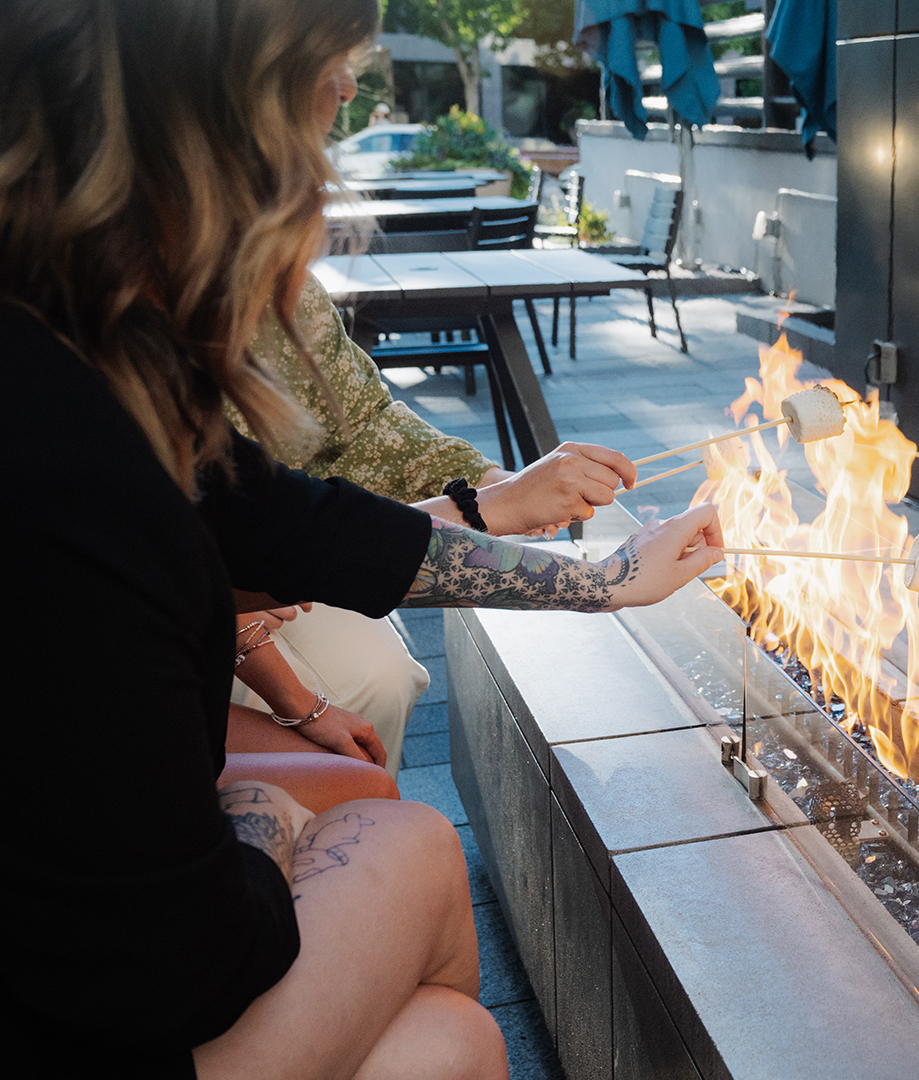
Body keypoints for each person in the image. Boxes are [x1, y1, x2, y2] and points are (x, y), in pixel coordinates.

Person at [0, 2, 725, 1077]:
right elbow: (174, 967)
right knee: (421, 851)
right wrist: (256, 817)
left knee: (452, 1039)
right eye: (329, 73)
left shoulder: (78, 352)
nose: (346, 103)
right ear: (202, 118)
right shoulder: (61, 455)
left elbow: (288, 524)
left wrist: (601, 583)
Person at [224, 55, 642, 775]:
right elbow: (242, 531)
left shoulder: (256, 261)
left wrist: (480, 481)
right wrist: (511, 526)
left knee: (382, 677)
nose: (350, 87)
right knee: (376, 714)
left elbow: (351, 425)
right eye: (330, 54)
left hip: (242, 553)